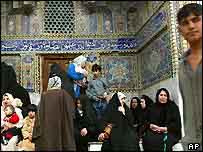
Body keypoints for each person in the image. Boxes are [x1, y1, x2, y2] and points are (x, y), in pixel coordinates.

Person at [32, 65, 76, 151]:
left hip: (48, 129)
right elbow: (72, 112)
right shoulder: (65, 94)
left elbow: (39, 116)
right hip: (63, 127)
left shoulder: (44, 95)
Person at [177, 3, 202, 151]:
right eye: (185, 23)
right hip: (194, 144)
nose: (191, 26)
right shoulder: (182, 67)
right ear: (180, 30)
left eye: (196, 20)